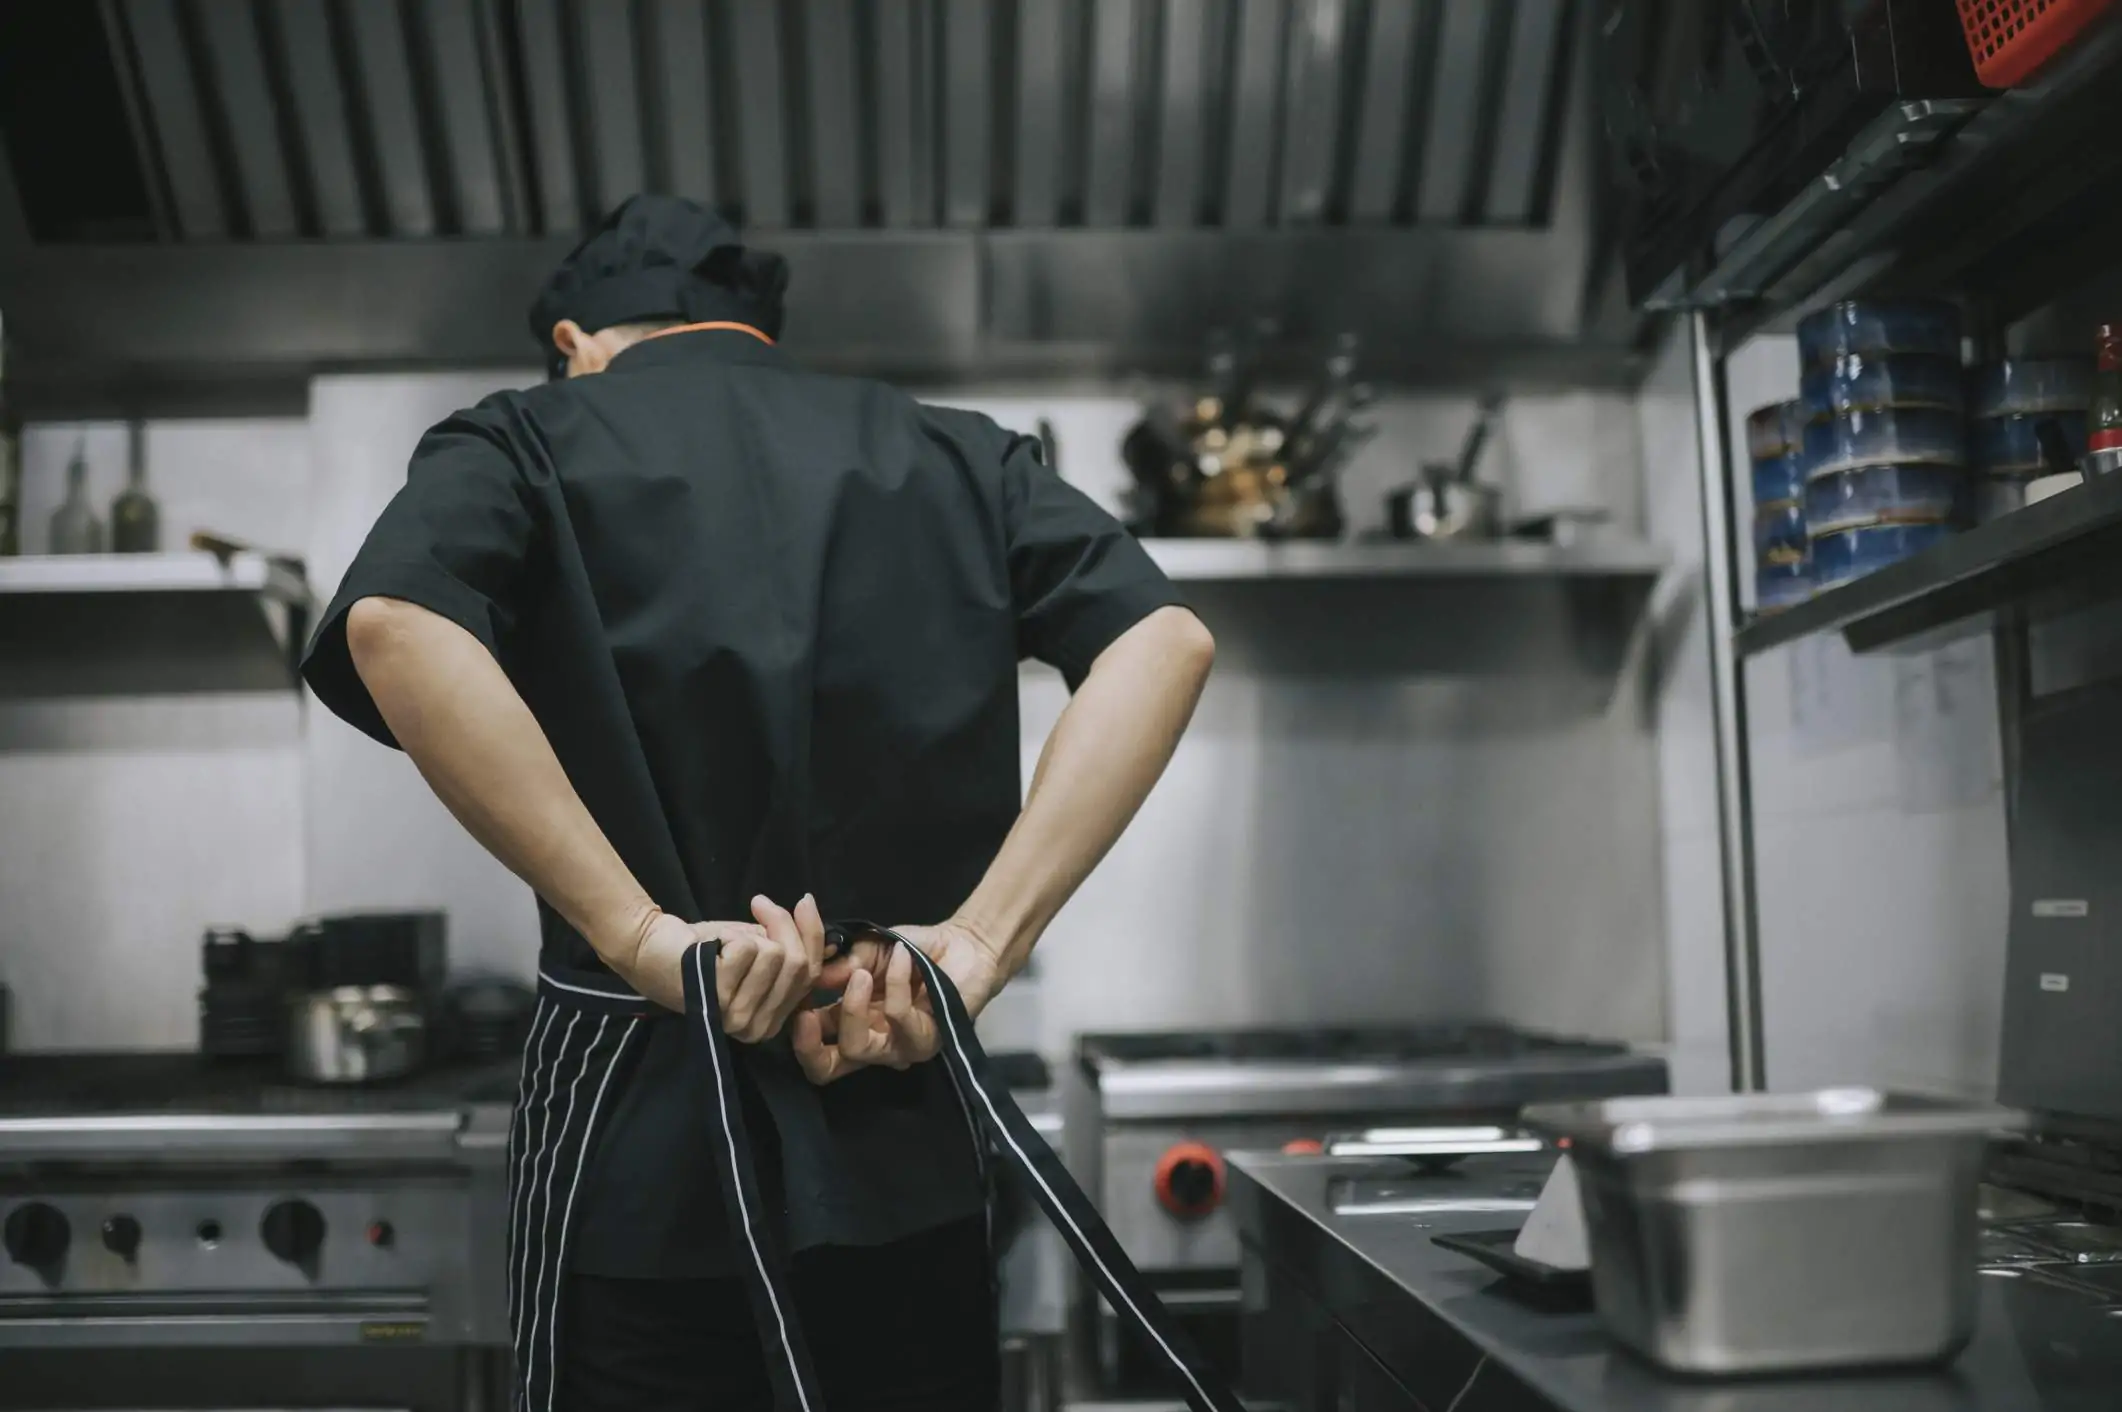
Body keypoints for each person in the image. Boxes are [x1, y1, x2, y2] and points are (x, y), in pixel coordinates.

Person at [300, 193, 1215, 1412]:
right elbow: (1165, 638)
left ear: (574, 344)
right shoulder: (959, 450)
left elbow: (395, 623)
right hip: (904, 1126)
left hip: (641, 1141)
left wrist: (638, 935)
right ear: (757, 334)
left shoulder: (525, 436)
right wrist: (982, 943)